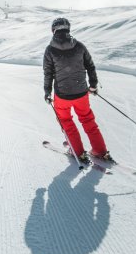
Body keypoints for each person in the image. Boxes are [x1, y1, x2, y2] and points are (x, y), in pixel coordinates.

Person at [43, 17, 110, 166]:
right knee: (87, 120)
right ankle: (100, 150)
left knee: (66, 121)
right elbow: (90, 66)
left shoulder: (50, 49)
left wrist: (47, 92)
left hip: (62, 95)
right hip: (81, 92)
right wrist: (92, 86)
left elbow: (48, 73)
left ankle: (77, 151)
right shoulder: (79, 46)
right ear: (68, 29)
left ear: (54, 30)